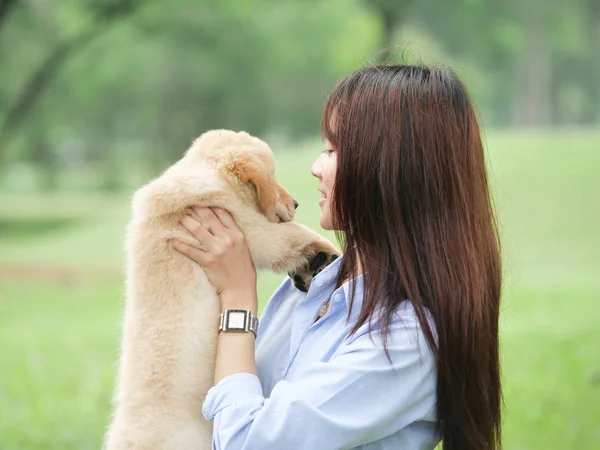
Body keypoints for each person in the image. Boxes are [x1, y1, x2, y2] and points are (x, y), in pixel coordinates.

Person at [173, 64, 502, 450]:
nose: (315, 167)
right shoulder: (317, 283)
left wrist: (238, 299)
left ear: (389, 169)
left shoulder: (404, 340)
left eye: (332, 150)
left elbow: (248, 442)